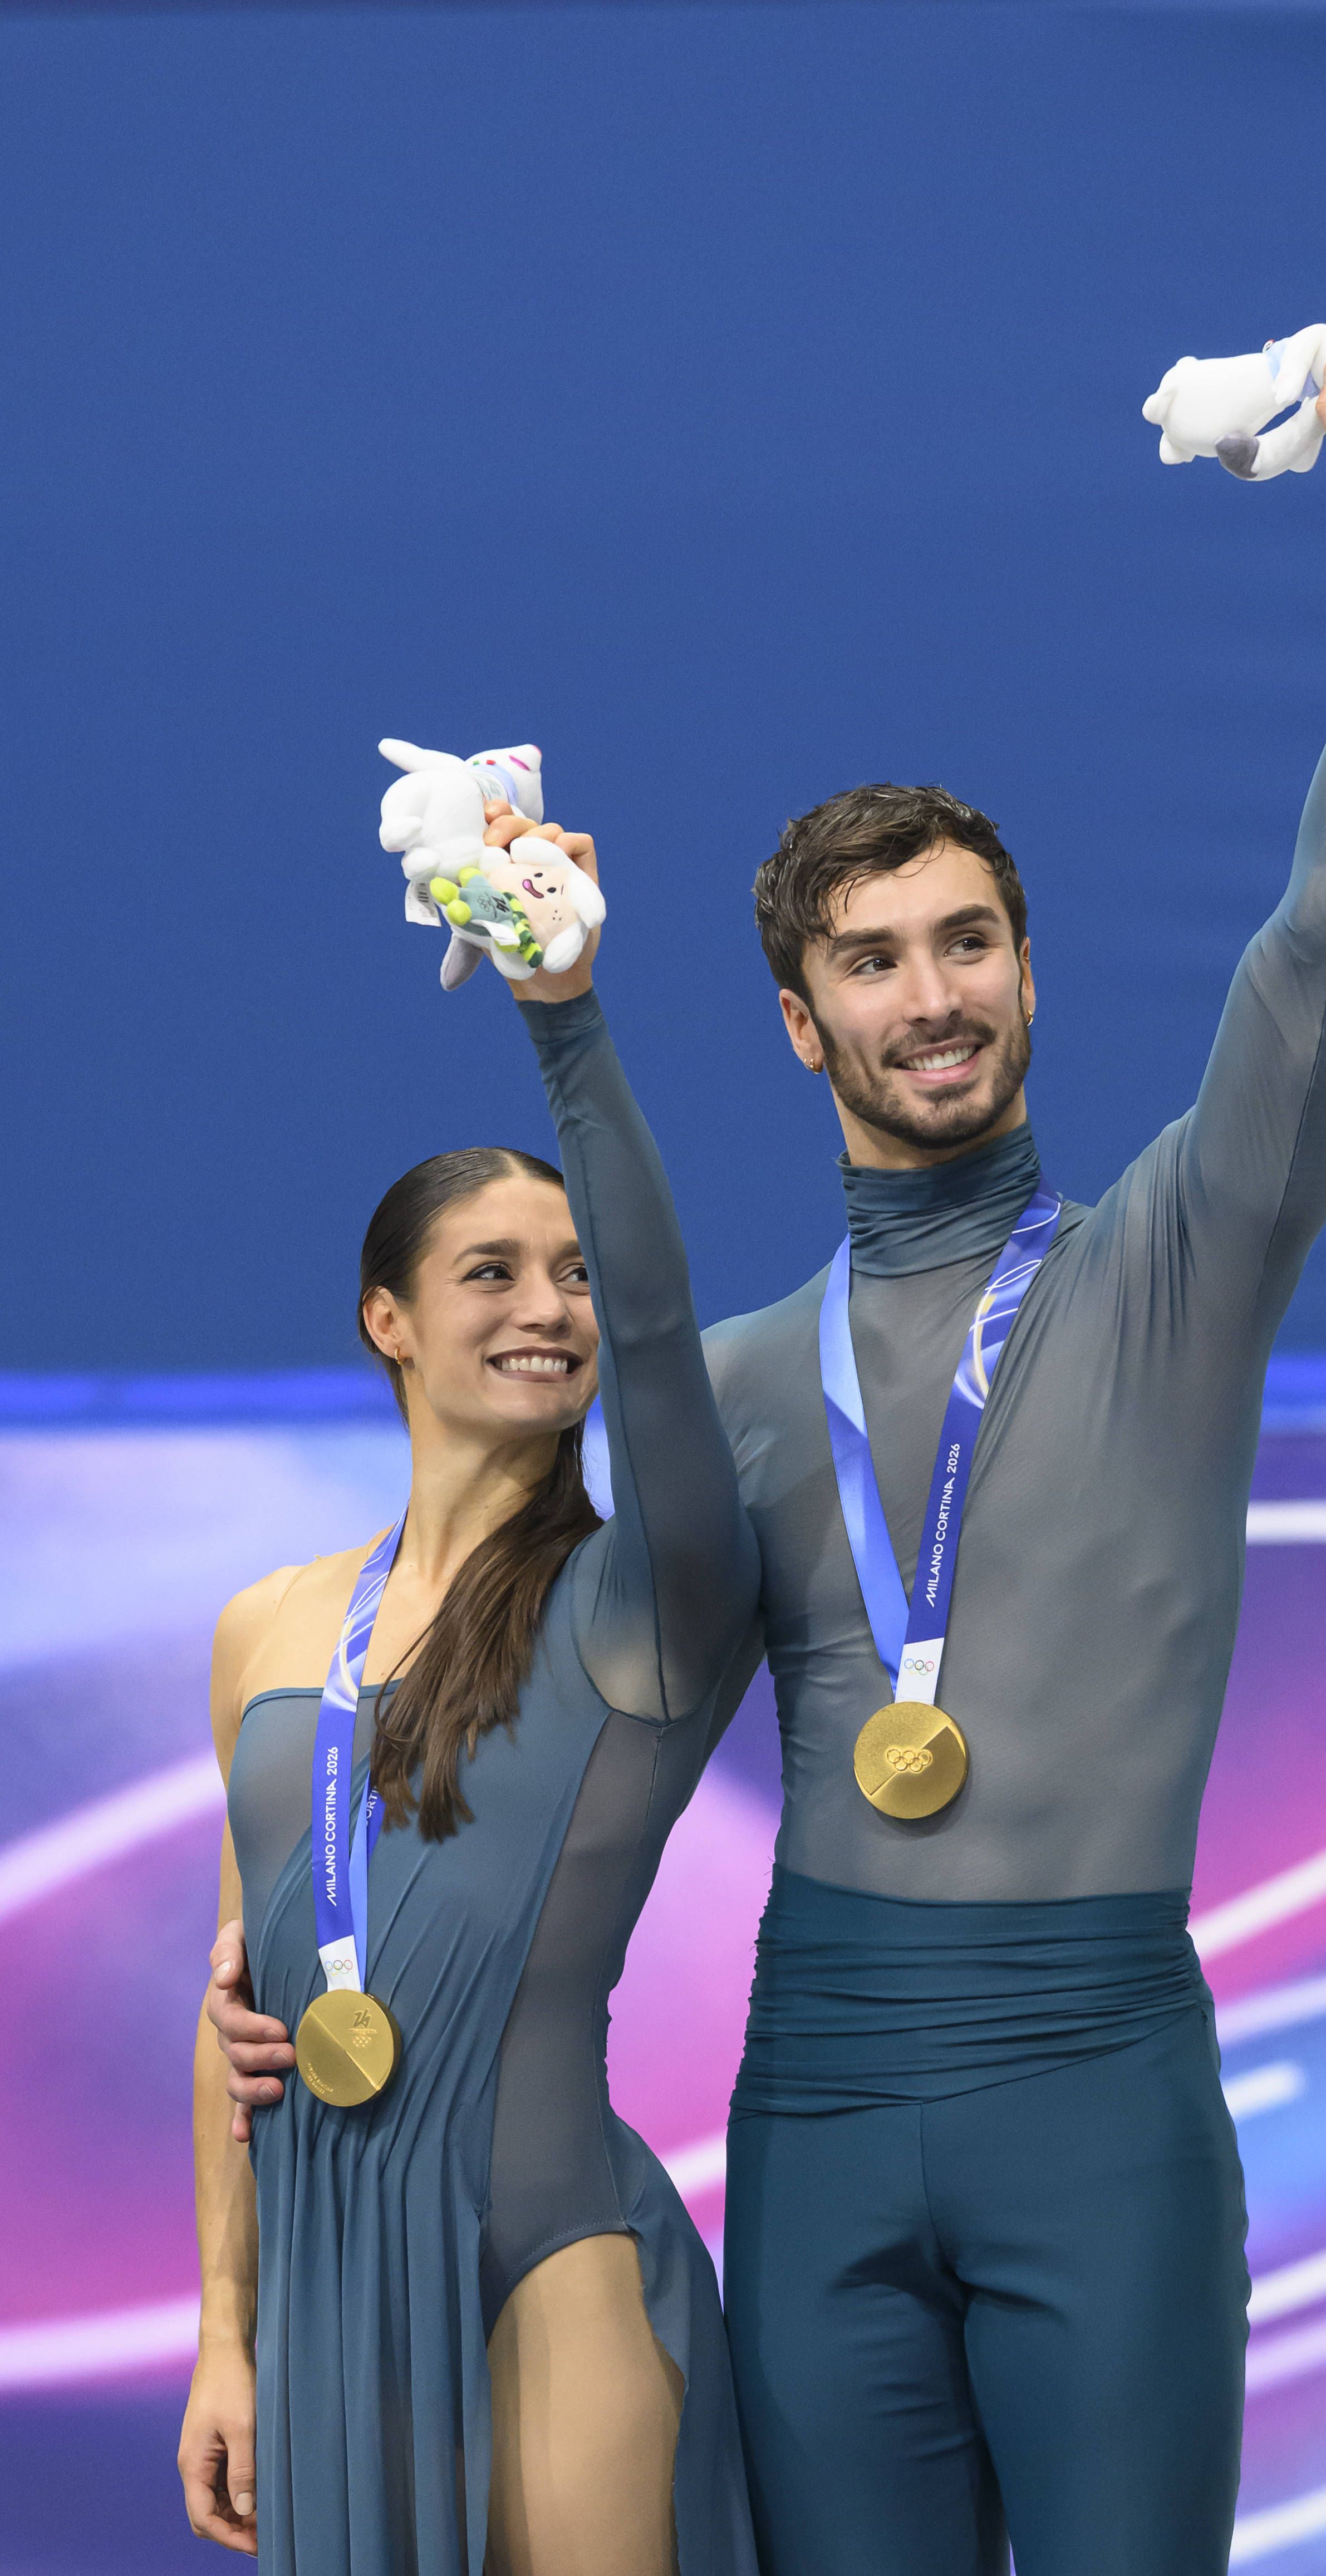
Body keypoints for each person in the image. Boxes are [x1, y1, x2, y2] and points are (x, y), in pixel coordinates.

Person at [209, 358, 1326, 2574]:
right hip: (815, 2099)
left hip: (1096, 2086)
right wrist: (311, 1972)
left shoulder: (1181, 1261)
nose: (932, 995)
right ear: (803, 1021)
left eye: (968, 940)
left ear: (1023, 965)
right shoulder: (728, 1382)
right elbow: (550, 1751)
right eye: (873, 960)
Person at [178, 813, 761, 2575]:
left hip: (552, 2251)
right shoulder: (266, 1629)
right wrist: (226, 2328)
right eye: (492, 1272)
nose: (552, 1306)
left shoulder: (645, 1591)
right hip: (325, 2271)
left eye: (573, 1271)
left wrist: (562, 1013)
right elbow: (241, 2026)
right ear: (388, 1321)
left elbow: (664, 1345)